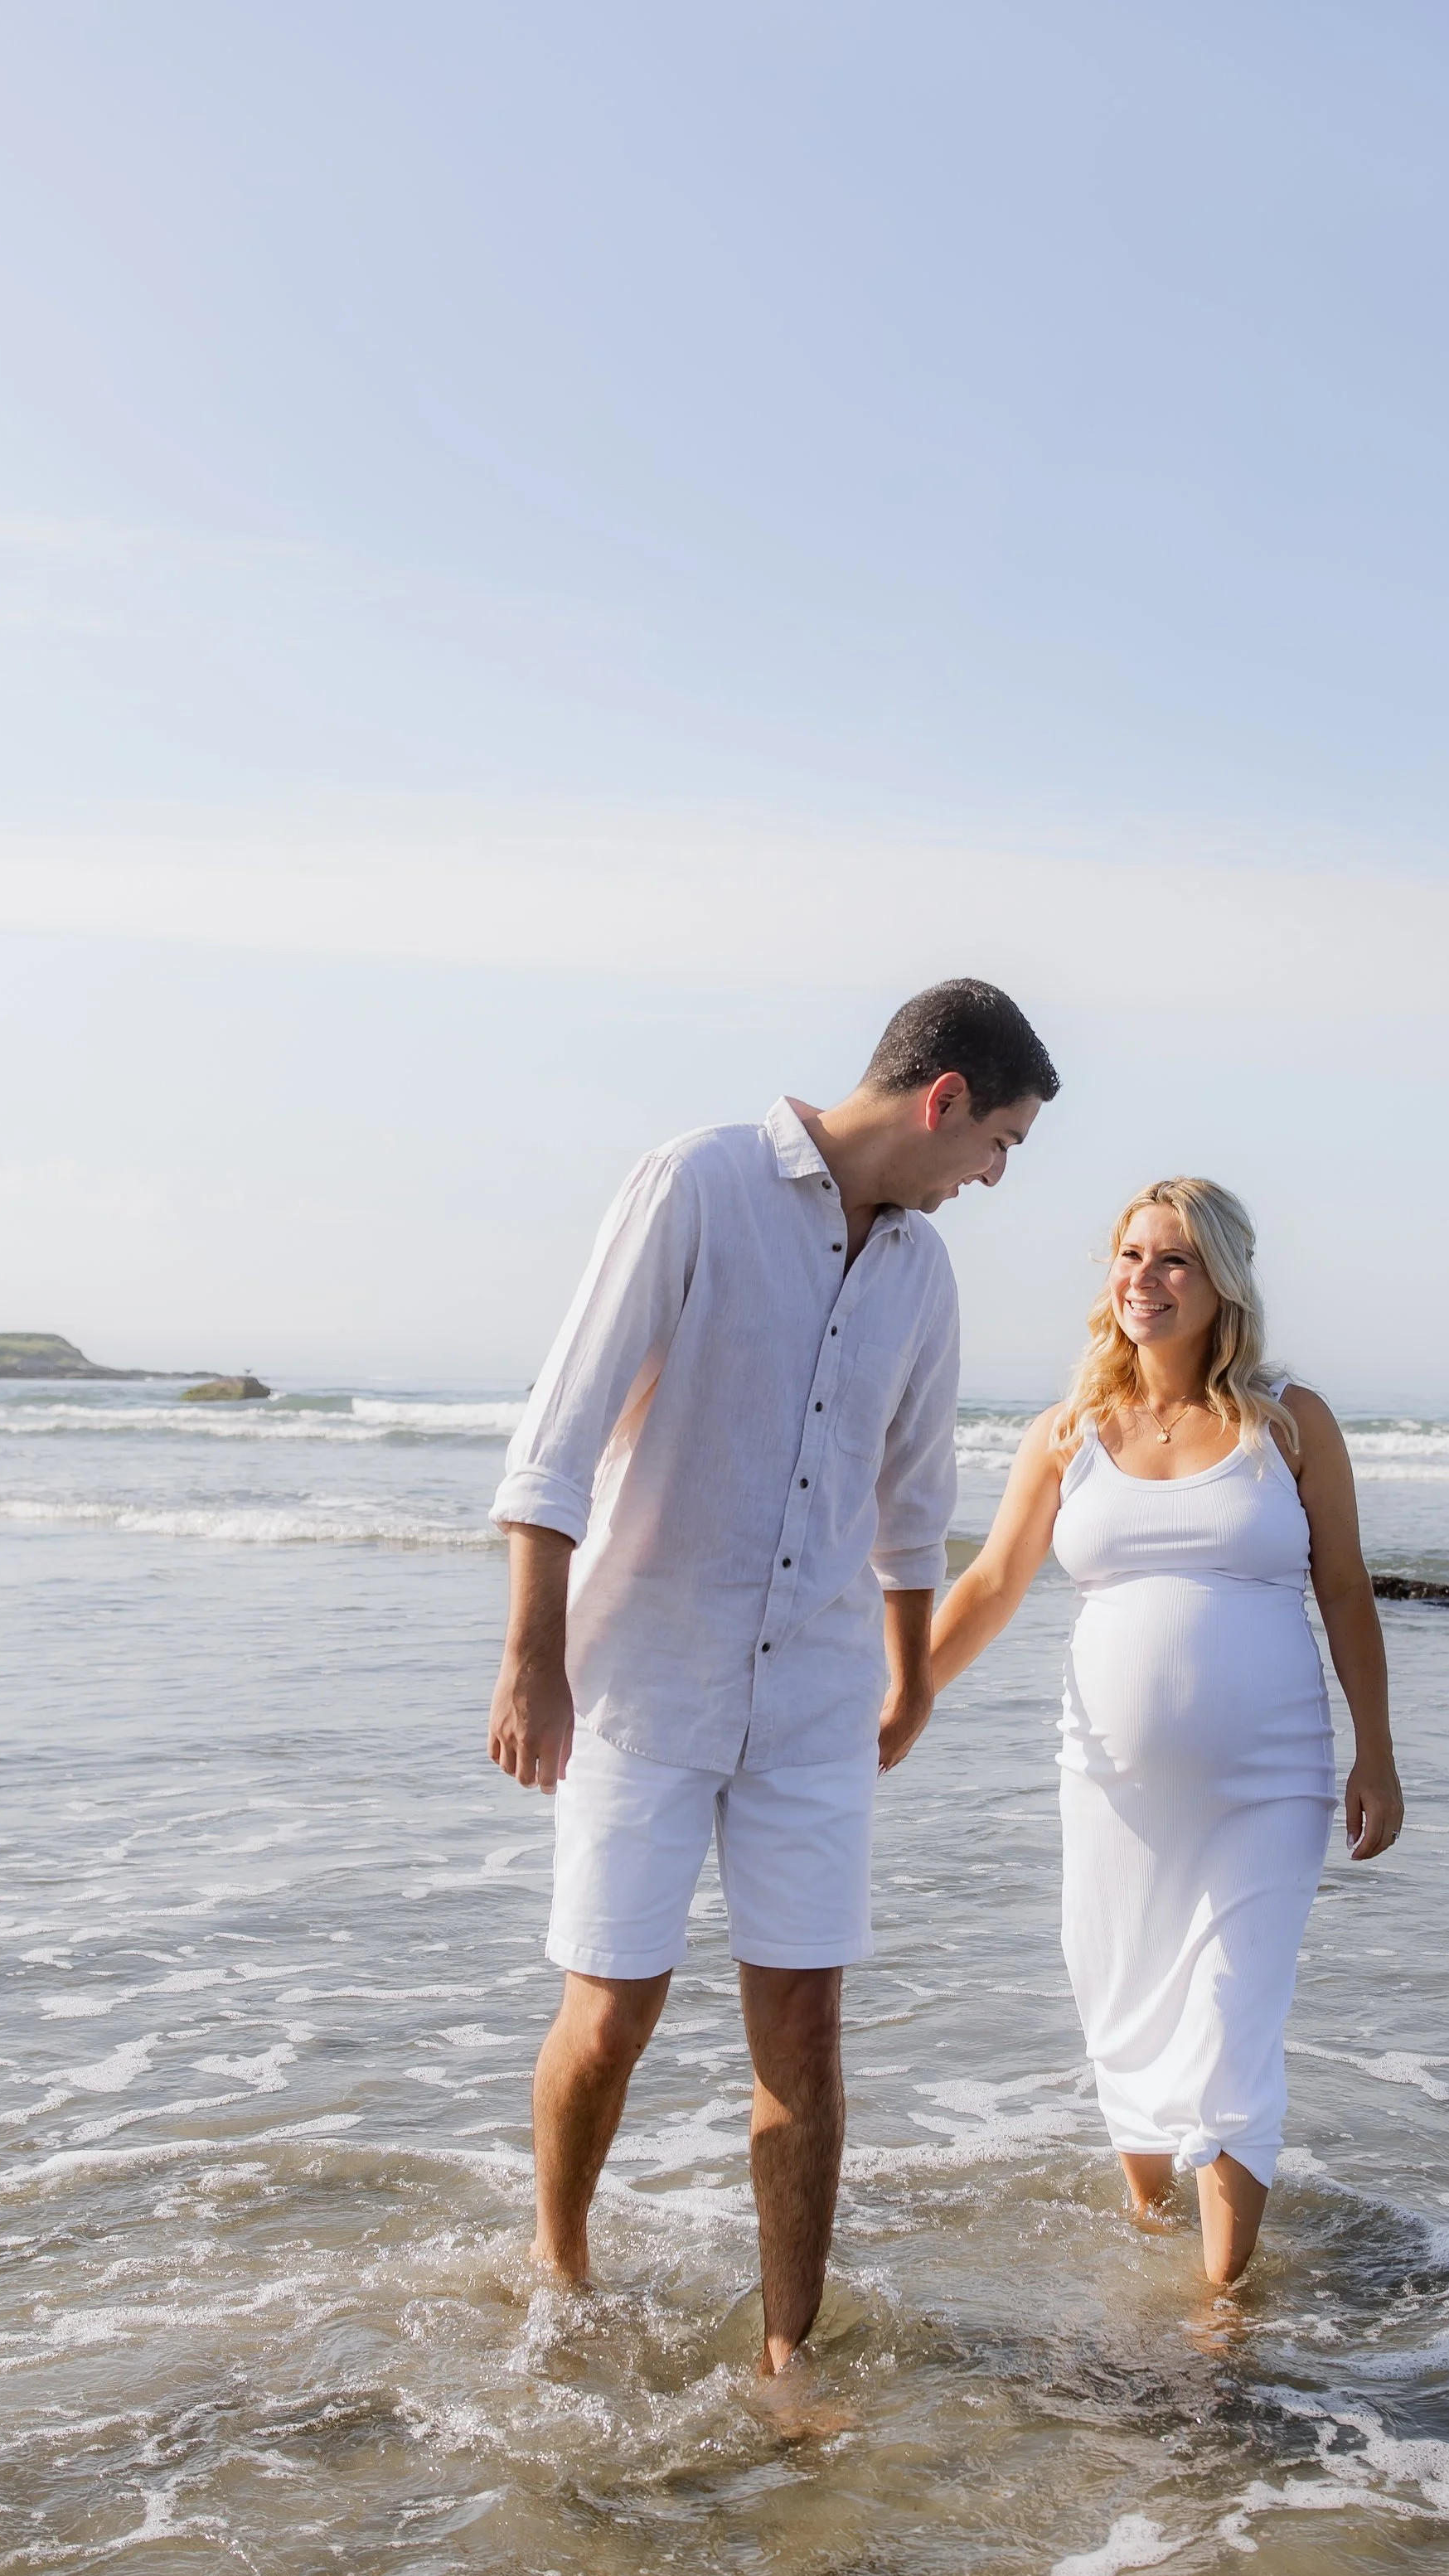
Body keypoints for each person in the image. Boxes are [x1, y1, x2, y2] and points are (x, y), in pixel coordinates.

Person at [487, 979, 1059, 2375]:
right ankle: (560, 2266)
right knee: (613, 2010)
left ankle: (787, 2346)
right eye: (999, 1144)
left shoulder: (923, 1272)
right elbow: (557, 1436)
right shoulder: (698, 1184)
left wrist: (909, 1677)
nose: (993, 1176)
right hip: (643, 1683)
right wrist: (531, 1656)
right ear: (943, 1102)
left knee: (805, 2023)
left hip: (808, 1700)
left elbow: (913, 1501)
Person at [928, 1177, 1402, 2291]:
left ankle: (1218, 2299)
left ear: (1223, 1280)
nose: (1145, 1279)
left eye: (1174, 1259)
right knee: (1125, 2001)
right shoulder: (1068, 1432)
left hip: (1269, 1779)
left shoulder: (1290, 1421)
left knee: (1234, 2009)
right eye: (1131, 1256)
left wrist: (1375, 1749)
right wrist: (901, 1698)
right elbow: (993, 1582)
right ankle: (1150, 2235)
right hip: (1109, 1785)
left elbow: (1344, 1589)